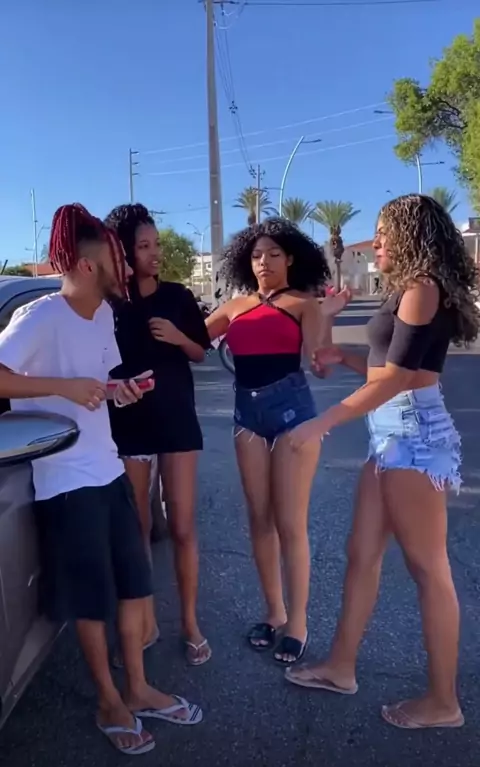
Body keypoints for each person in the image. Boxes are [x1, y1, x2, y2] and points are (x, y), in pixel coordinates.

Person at [0, 204, 203, 755]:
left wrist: (118, 392)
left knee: (135, 585)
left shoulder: (104, 316)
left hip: (109, 467)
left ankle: (137, 689)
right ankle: (109, 702)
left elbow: (95, 383)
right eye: (118, 258)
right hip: (65, 480)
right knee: (91, 601)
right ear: (89, 266)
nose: (126, 267)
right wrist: (61, 388)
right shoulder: (41, 317)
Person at [285, 194, 480, 729]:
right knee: (361, 552)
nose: (377, 241)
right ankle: (340, 667)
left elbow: (397, 379)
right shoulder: (406, 290)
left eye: (386, 231)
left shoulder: (422, 289)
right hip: (391, 434)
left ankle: (444, 702)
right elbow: (389, 367)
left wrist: (323, 422)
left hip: (413, 436)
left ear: (414, 236)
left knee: (428, 569)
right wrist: (341, 353)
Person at [206, 218, 349, 665]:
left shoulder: (304, 304)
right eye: (255, 255)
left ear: (289, 258)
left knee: (290, 522)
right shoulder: (235, 306)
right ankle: (274, 612)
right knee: (259, 518)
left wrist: (326, 324)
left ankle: (298, 622)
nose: (263, 262)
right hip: (246, 415)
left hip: (292, 413)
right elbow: (193, 340)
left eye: (272, 254)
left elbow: (318, 363)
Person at [104, 204, 211, 666]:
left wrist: (177, 337)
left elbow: (201, 352)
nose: (155, 253)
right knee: (139, 531)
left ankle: (190, 623)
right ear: (125, 252)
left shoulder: (178, 296)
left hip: (176, 422)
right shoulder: (111, 305)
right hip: (129, 428)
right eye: (144, 246)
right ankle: (144, 623)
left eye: (157, 244)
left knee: (182, 527)